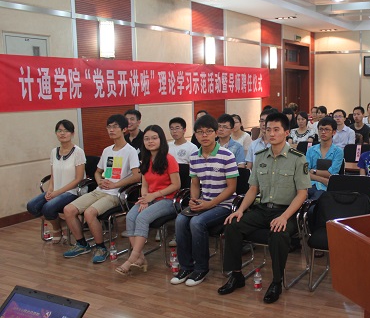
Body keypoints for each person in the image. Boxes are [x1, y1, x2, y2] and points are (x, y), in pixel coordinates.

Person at [219, 112, 311, 304]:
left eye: (276, 130)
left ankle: (276, 281)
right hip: (263, 209)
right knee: (232, 225)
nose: (271, 133)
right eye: (268, 130)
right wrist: (240, 210)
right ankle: (236, 275)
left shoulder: (298, 158)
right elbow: (253, 189)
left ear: (286, 132)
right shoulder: (261, 156)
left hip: (287, 211)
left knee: (278, 234)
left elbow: (302, 194)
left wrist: (284, 217)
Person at [62, 115, 141, 263]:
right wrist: (100, 181)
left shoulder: (130, 151)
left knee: (89, 213)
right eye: (109, 127)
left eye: (115, 127)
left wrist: (115, 185)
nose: (111, 130)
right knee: (68, 210)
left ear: (124, 129)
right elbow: (98, 172)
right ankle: (82, 244)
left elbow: (137, 176)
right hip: (100, 190)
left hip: (115, 194)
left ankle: (101, 247)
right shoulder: (107, 150)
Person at [171, 115, 238, 286]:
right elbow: (195, 183)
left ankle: (201, 268)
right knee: (180, 220)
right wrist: (194, 200)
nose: (204, 135)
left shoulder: (227, 155)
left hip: (224, 205)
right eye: (200, 132)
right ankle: (186, 266)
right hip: (204, 202)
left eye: (208, 131)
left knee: (196, 223)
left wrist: (210, 204)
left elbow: (231, 188)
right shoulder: (194, 156)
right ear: (195, 135)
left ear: (216, 133)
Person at [116, 125, 181, 276]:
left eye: (154, 138)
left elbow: (176, 185)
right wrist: (145, 199)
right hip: (150, 198)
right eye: (146, 139)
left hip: (167, 200)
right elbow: (144, 185)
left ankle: (132, 258)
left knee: (142, 218)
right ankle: (140, 257)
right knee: (130, 217)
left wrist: (154, 195)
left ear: (161, 140)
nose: (150, 141)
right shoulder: (145, 160)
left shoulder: (169, 159)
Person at [26, 120, 86, 244]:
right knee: (32, 206)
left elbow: (79, 178)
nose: (62, 133)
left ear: (72, 134)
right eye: (59, 131)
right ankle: (59, 226)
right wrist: (50, 190)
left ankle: (57, 230)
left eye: (66, 131)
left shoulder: (78, 152)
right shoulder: (54, 151)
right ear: (56, 133)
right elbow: (53, 175)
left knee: (48, 208)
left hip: (73, 192)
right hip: (56, 190)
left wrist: (57, 193)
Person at [306, 117, 343, 200]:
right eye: (321, 129)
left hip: (325, 188)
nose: (323, 132)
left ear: (334, 132)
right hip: (310, 185)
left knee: (317, 199)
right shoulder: (311, 150)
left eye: (327, 129)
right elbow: (305, 172)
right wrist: (322, 179)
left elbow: (332, 174)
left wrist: (314, 171)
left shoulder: (338, 151)